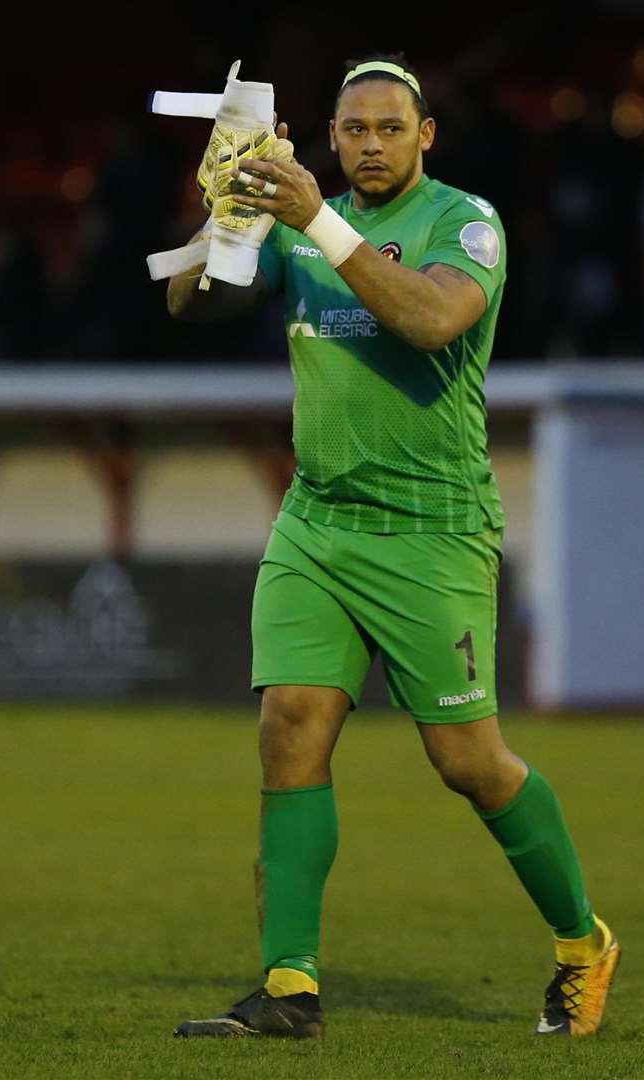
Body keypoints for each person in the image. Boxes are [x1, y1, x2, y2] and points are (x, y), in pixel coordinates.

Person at [163, 54, 620, 1040]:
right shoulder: (295, 220)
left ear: (424, 138)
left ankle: (582, 943)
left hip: (432, 532)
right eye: (353, 130)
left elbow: (431, 319)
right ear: (327, 139)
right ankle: (289, 988)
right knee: (290, 723)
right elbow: (188, 306)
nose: (370, 144)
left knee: (468, 763)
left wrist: (308, 221)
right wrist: (227, 219)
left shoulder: (464, 223)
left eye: (389, 127)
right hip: (317, 519)